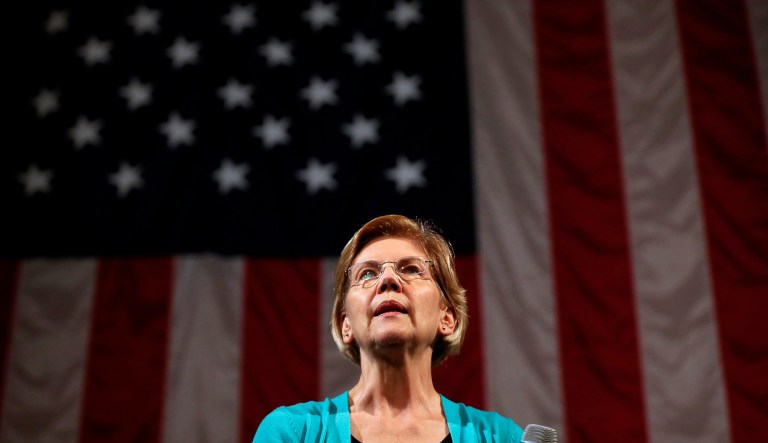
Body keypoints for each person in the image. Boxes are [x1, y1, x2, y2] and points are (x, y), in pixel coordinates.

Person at [253, 214, 523, 442]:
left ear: (447, 317)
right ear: (345, 324)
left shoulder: (500, 436)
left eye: (412, 269)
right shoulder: (292, 432)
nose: (389, 279)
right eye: (367, 273)